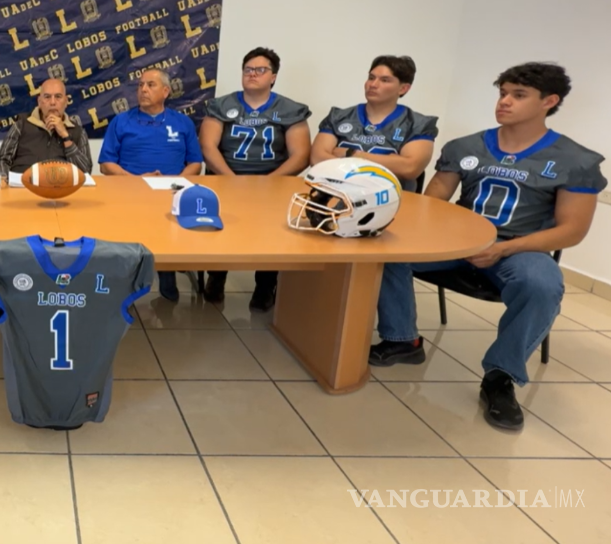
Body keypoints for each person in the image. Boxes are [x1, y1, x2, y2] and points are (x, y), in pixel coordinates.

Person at [371, 62, 606, 431]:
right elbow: (430, 205)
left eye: (518, 95)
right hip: (456, 243)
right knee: (382, 252)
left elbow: (571, 231)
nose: (504, 102)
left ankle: (500, 376)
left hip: (519, 248)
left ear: (549, 101)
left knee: (542, 285)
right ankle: (402, 340)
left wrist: (502, 249)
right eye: (503, 93)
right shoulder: (466, 146)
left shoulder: (574, 160)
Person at [201, 47, 312, 310]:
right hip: (226, 179)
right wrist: (231, 179)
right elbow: (208, 146)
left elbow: (300, 155)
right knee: (220, 230)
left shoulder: (290, 109)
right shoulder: (222, 105)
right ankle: (216, 277)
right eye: (248, 69)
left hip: (273, 182)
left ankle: (265, 285)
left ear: (273, 77)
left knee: (272, 234)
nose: (252, 74)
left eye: (260, 70)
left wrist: (268, 181)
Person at [98, 68, 202, 301]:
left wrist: (175, 183)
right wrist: (136, 181)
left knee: (169, 226)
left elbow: (196, 163)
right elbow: (106, 164)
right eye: (140, 85)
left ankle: (167, 272)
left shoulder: (182, 122)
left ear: (165, 91)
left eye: (150, 85)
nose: (143, 89)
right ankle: (124, 280)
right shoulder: (121, 121)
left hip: (171, 192)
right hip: (129, 192)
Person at [311, 55, 439, 192]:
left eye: (385, 80)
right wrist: (388, 162)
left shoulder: (417, 125)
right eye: (371, 78)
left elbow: (409, 168)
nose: (373, 85)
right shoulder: (339, 117)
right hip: (334, 192)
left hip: (390, 199)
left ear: (403, 89)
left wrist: (353, 154)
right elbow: (317, 158)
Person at [0, 78, 93, 175]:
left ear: (66, 101)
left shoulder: (78, 132)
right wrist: (7, 180)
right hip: (22, 184)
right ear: (39, 102)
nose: (52, 102)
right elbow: (1, 161)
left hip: (60, 185)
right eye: (47, 97)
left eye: (58, 96)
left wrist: (65, 136)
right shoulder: (21, 125)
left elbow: (85, 172)